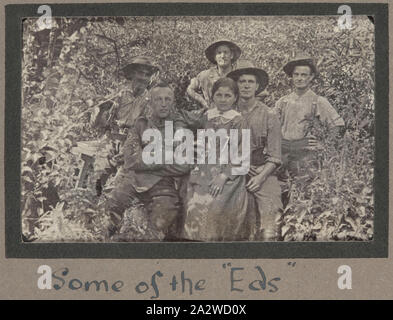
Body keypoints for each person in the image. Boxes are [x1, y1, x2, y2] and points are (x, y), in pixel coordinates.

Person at [104, 82, 191, 241]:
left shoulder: (180, 128)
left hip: (163, 184)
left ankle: (145, 247)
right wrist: (166, 157)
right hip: (133, 179)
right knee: (113, 204)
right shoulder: (140, 124)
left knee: (166, 210)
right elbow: (130, 159)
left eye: (167, 99)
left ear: (173, 102)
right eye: (158, 99)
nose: (163, 104)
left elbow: (184, 164)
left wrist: (147, 160)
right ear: (150, 102)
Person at [182, 77, 251, 242]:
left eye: (228, 96)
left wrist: (223, 176)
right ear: (212, 97)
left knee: (214, 208)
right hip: (205, 168)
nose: (223, 100)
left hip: (228, 172)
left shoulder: (238, 120)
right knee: (193, 207)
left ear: (235, 97)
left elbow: (241, 154)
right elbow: (195, 135)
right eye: (219, 95)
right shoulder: (207, 116)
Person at [274, 53, 345, 206]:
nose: (299, 78)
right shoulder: (283, 101)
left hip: (304, 152)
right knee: (279, 191)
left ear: (311, 77)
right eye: (296, 74)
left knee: (303, 192)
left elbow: (337, 124)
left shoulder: (318, 101)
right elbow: (271, 126)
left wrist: (323, 145)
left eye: (304, 75)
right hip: (283, 150)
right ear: (292, 77)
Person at [228, 60, 283, 241]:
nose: (245, 85)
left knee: (271, 211)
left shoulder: (269, 114)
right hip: (231, 169)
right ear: (236, 85)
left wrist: (261, 177)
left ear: (257, 86)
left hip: (260, 169)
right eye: (242, 81)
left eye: (250, 82)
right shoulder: (225, 111)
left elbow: (275, 156)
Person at [91, 56, 160, 190]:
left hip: (132, 145)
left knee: (119, 185)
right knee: (98, 176)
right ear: (132, 74)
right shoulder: (119, 95)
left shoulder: (150, 102)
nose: (143, 78)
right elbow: (97, 125)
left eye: (147, 75)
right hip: (110, 140)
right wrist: (100, 111)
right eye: (140, 73)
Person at [186, 40, 241, 110]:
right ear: (215, 57)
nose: (223, 56)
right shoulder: (205, 75)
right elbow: (190, 89)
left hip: (235, 114)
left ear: (231, 55)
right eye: (219, 53)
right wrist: (202, 101)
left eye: (226, 52)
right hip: (212, 114)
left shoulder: (239, 75)